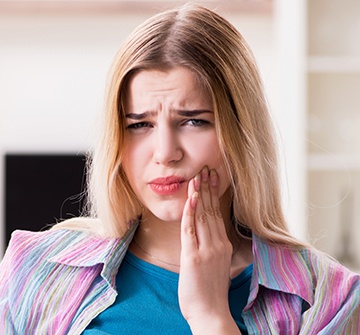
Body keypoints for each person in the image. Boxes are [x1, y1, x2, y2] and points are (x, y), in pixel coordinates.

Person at [0, 3, 359, 334]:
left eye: (193, 121)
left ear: (242, 132)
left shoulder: (326, 298)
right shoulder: (35, 267)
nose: (165, 153)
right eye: (139, 124)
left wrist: (211, 315)